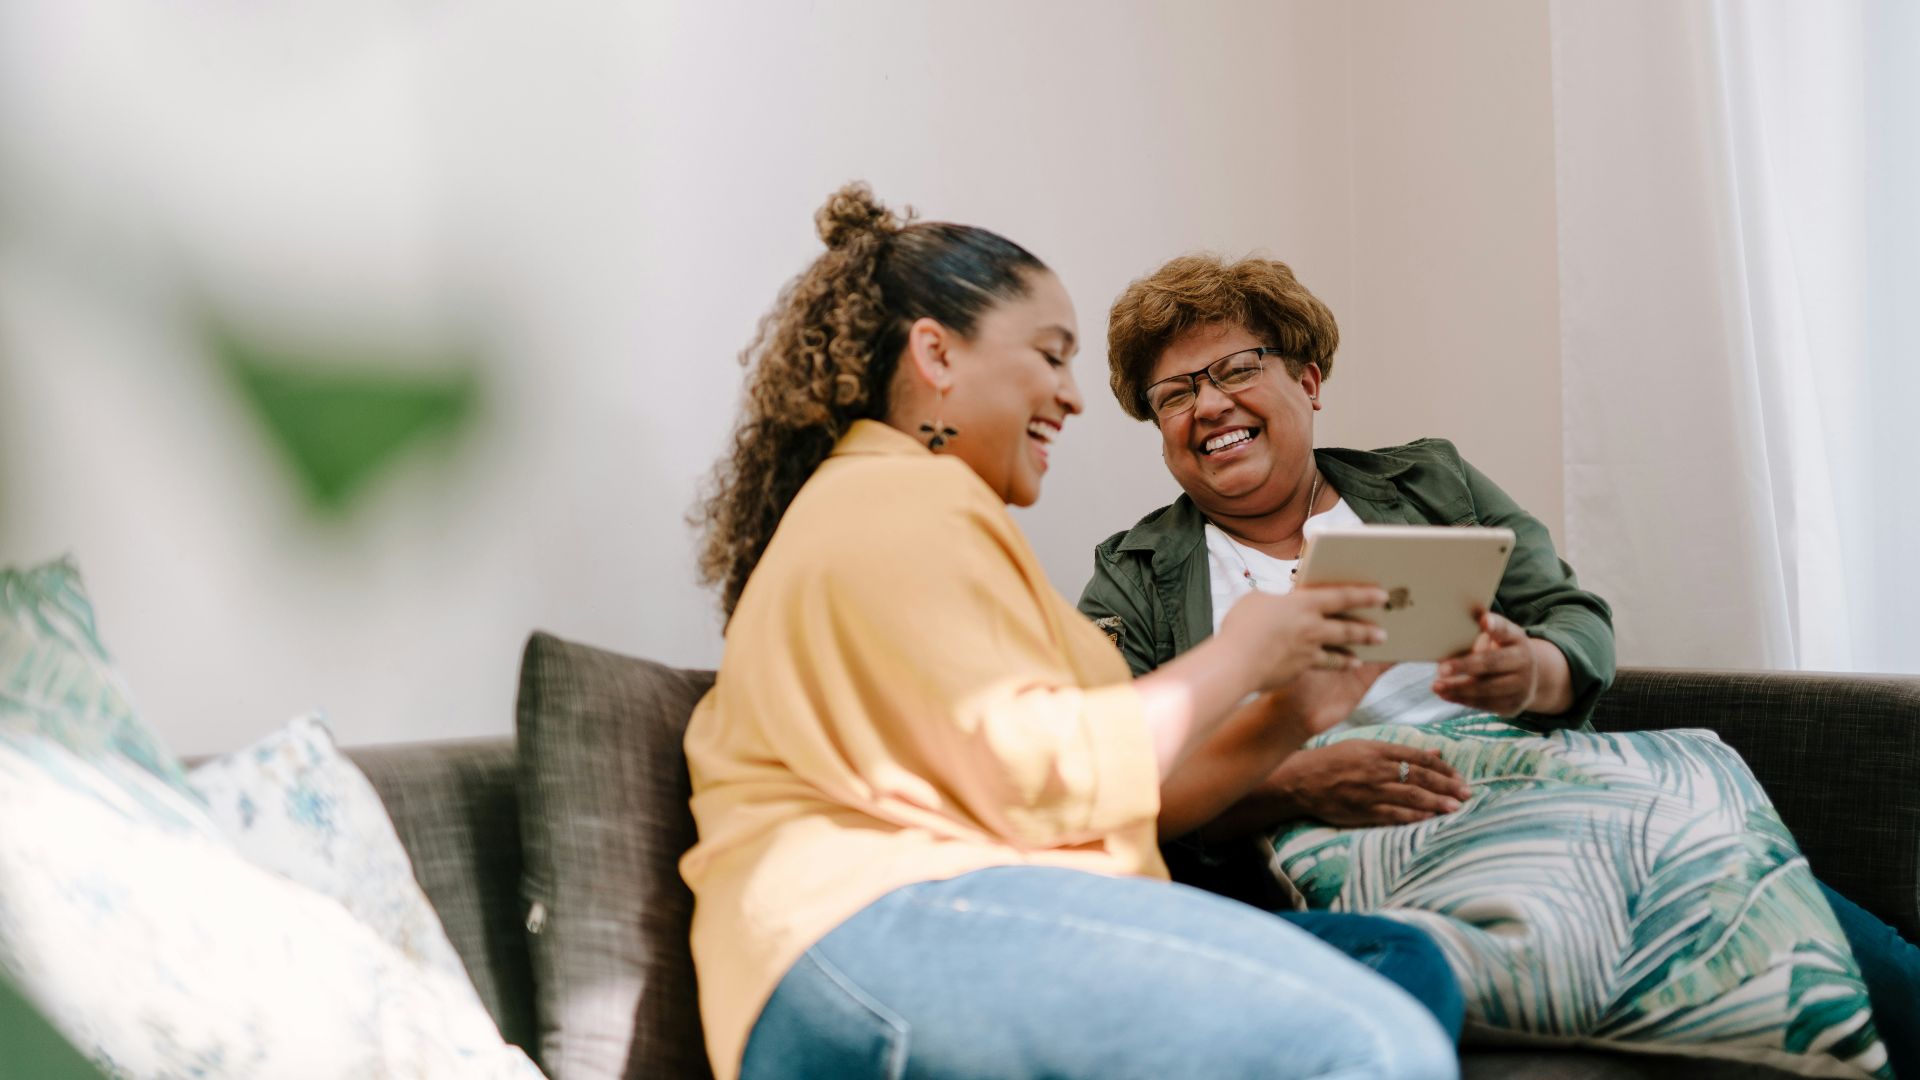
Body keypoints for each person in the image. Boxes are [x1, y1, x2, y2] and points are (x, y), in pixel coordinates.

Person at [681, 185, 1461, 1080]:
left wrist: (1290, 711)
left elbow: (1108, 790)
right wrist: (1242, 650)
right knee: (1367, 1039)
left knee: (1396, 965)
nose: (1074, 396)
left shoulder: (930, 516)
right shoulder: (898, 496)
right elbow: (1035, 770)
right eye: (1051, 356)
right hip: (874, 930)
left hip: (948, 917)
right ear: (935, 353)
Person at [1078, 252, 1920, 1071]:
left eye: (1233, 369)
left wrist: (1533, 671)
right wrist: (1293, 786)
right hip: (1338, 849)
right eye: (1176, 394)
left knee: (1865, 959)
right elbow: (1121, 789)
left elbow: (1571, 618)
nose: (1208, 405)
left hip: (1529, 787)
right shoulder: (1135, 574)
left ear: (1307, 381)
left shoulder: (1430, 482)